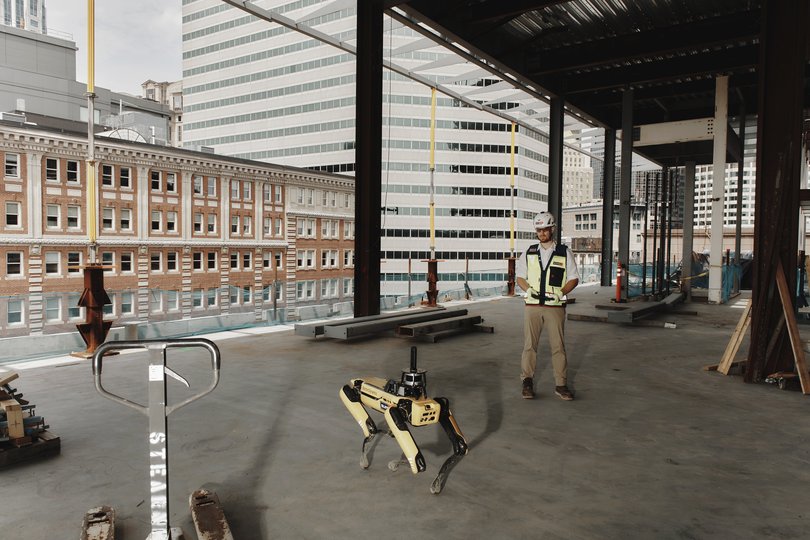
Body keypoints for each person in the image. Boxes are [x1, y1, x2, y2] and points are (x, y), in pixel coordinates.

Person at [515, 211, 580, 401]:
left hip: (555, 307)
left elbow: (574, 278)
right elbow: (520, 277)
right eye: (539, 230)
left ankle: (561, 385)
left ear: (552, 229)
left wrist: (561, 292)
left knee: (558, 347)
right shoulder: (529, 252)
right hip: (532, 306)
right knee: (529, 346)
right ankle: (527, 382)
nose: (542, 233)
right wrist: (527, 290)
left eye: (545, 229)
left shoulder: (563, 252)